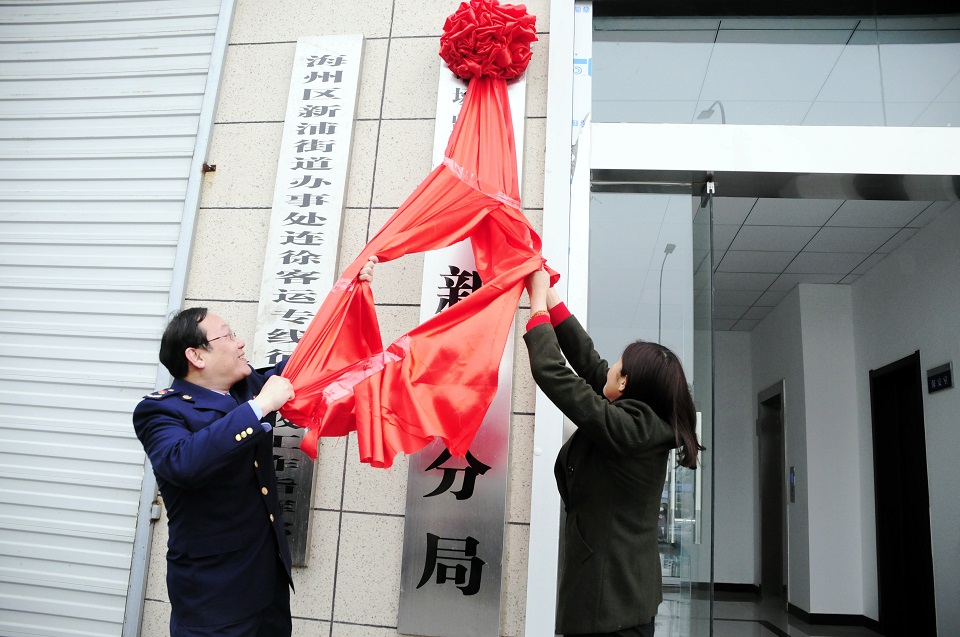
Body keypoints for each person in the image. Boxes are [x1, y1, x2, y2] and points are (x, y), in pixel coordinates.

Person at [133, 259, 377, 636]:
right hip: (214, 600)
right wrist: (259, 407)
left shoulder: (246, 388)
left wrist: (349, 294)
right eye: (227, 336)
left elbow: (310, 360)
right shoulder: (160, 409)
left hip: (268, 590)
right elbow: (181, 463)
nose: (240, 341)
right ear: (196, 356)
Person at [523, 268, 703, 637]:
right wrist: (552, 297)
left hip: (610, 609)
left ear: (624, 384)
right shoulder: (639, 421)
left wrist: (536, 305)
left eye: (618, 366)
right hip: (621, 602)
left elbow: (553, 374)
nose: (610, 366)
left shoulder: (629, 429)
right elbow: (589, 364)